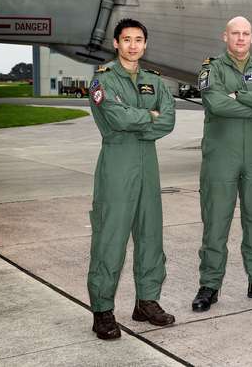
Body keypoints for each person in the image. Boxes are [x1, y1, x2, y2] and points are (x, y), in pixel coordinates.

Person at [192, 16, 252, 311]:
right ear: (225, 36)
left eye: (246, 33)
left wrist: (241, 97)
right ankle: (209, 285)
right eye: (235, 33)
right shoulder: (212, 68)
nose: (241, 38)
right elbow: (216, 103)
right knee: (216, 220)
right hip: (221, 154)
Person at [87, 18, 176, 340]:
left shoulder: (154, 80)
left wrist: (139, 118)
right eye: (127, 39)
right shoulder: (103, 80)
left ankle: (146, 302)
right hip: (117, 161)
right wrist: (146, 116)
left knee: (151, 235)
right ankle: (102, 310)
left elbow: (167, 120)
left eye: (139, 39)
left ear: (145, 44)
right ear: (116, 43)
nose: (133, 45)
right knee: (110, 238)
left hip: (148, 164)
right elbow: (115, 116)